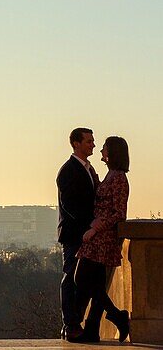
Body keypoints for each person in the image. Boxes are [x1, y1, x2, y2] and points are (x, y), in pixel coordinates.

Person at [69, 135, 130, 344]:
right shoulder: (111, 175)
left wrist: (95, 228)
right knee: (94, 283)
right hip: (98, 238)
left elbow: (118, 213)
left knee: (82, 279)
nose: (101, 150)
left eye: (104, 147)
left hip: (102, 239)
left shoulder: (119, 177)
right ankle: (94, 328)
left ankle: (117, 316)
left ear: (113, 152)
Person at [57, 127, 99, 339]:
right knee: (71, 279)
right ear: (76, 144)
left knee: (80, 280)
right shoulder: (69, 170)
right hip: (76, 235)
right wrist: (91, 224)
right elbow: (70, 205)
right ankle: (71, 324)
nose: (93, 144)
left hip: (84, 234)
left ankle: (74, 323)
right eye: (89, 141)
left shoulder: (87, 169)